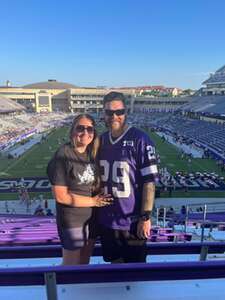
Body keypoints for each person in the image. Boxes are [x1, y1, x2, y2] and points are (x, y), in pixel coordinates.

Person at [97, 91, 158, 263]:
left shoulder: (140, 139)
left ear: (126, 112)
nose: (114, 116)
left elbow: (149, 182)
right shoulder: (100, 140)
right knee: (114, 265)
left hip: (132, 222)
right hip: (107, 220)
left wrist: (145, 217)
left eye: (119, 112)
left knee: (135, 271)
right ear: (103, 113)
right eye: (109, 112)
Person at [47, 114, 112, 265]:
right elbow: (61, 196)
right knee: (71, 266)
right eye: (80, 128)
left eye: (90, 129)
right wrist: (93, 201)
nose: (85, 132)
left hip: (91, 218)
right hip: (72, 220)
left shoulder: (91, 153)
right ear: (72, 131)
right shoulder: (62, 156)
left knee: (84, 262)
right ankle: (67, 289)